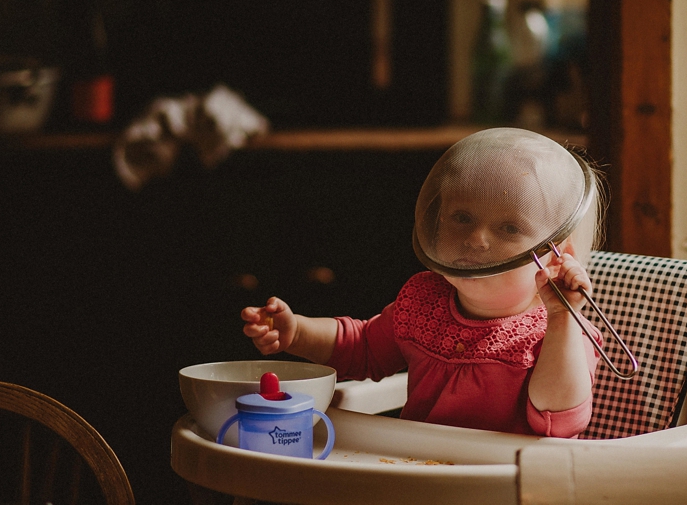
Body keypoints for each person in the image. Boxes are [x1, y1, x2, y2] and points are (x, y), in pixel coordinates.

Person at [241, 127, 605, 438]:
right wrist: (297, 333)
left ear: (557, 256)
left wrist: (561, 320)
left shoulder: (562, 332)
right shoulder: (422, 301)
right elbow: (364, 348)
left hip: (508, 486)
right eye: (461, 217)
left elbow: (557, 420)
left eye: (509, 228)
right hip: (419, 475)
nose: (476, 239)